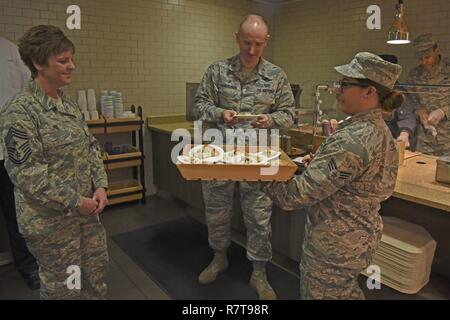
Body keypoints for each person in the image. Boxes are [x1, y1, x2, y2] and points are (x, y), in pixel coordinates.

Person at [265, 52, 403, 299]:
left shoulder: (352, 139)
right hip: (358, 238)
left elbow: (293, 197)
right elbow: (379, 187)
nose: (338, 91)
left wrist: (258, 173)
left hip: (334, 247)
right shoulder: (380, 131)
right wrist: (320, 165)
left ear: (369, 92)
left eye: (344, 84)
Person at [0, 25, 109, 300]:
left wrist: (101, 187)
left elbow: (91, 146)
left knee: (95, 280)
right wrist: (77, 201)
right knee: (64, 289)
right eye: (63, 61)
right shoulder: (19, 111)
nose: (72, 66)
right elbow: (29, 175)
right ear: (38, 63)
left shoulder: (68, 105)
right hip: (51, 224)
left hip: (86, 214)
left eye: (72, 59)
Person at [194, 14, 295, 300]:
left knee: (259, 217)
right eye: (247, 42)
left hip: (258, 159)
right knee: (216, 212)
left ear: (267, 42)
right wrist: (219, 113)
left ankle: (259, 273)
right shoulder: (217, 71)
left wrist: (271, 120)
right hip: (220, 156)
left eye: (258, 44)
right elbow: (199, 105)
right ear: (236, 38)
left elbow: (288, 114)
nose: (252, 50)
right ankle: (219, 258)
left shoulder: (276, 76)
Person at [0, 36, 39, 290]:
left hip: (9, 151)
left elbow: (30, 91)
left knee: (16, 212)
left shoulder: (9, 50)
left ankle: (28, 266)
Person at [407, 33, 450, 156]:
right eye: (420, 59)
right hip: (425, 138)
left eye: (427, 57)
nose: (424, 62)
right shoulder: (414, 74)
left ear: (437, 50)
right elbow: (410, 99)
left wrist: (444, 111)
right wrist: (419, 110)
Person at [378, 54, 417, 149]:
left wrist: (404, 135)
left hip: (393, 141)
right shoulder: (371, 89)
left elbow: (407, 116)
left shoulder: (399, 92)